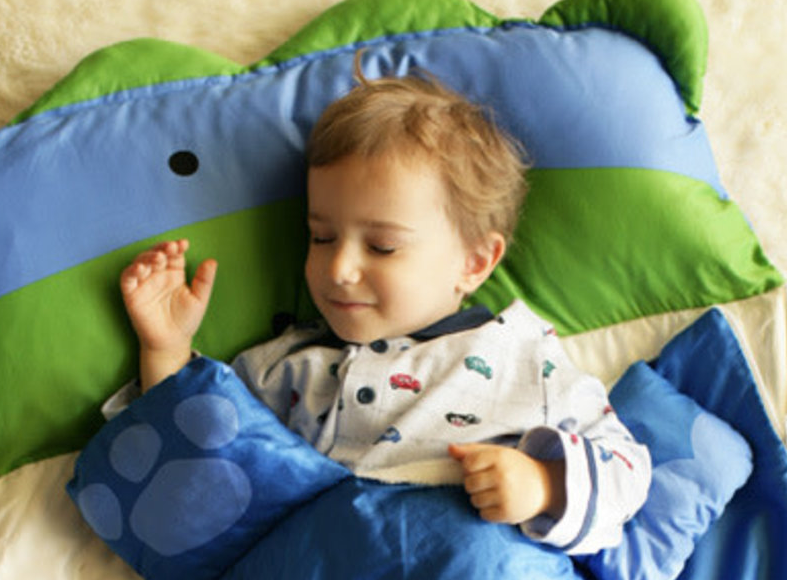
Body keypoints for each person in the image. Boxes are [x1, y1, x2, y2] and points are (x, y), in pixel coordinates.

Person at [114, 64, 651, 554]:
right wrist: (166, 350)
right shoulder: (284, 369)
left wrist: (544, 484)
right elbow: (195, 468)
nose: (339, 268)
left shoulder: (521, 358)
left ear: (474, 262)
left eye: (382, 247)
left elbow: (628, 469)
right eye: (321, 237)